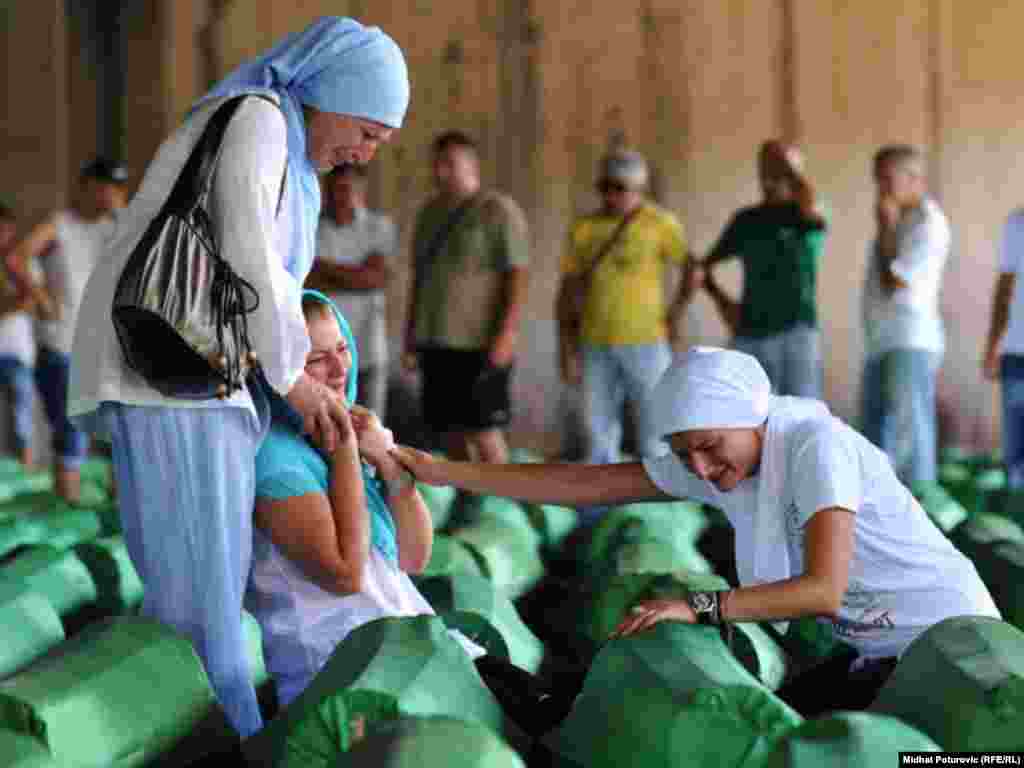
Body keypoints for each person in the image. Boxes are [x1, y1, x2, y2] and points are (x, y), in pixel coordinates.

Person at [67, 17, 410, 738]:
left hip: (203, 382)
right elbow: (250, 258)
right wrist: (292, 382)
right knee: (201, 601)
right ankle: (229, 742)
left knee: (206, 590)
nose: (365, 153)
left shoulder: (285, 145)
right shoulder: (256, 120)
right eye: (370, 131)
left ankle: (200, 732)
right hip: (175, 382)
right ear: (336, 91)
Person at [392, 347, 1000, 717]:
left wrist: (699, 606)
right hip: (880, 651)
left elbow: (822, 591)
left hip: (955, 649)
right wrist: (442, 472)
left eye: (709, 447)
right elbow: (580, 484)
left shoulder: (818, 448)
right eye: (685, 456)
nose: (703, 470)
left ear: (750, 417)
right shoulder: (723, 462)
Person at [246, 290, 571, 736]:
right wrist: (344, 449)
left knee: (548, 715)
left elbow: (413, 558)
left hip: (407, 649)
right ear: (283, 375)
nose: (340, 369)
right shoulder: (275, 458)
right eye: (316, 360)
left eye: (342, 349)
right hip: (341, 680)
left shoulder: (333, 439)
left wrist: (388, 465)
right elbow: (346, 574)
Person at [557, 148, 694, 473]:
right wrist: (565, 343)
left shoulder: (661, 223)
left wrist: (675, 314)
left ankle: (661, 495)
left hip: (646, 339)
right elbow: (568, 287)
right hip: (594, 340)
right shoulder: (584, 228)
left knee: (656, 428)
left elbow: (692, 268)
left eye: (620, 188)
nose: (611, 195)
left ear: (638, 189)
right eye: (605, 187)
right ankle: (603, 501)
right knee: (597, 430)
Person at [403, 131, 529, 464]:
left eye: (449, 164)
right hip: (435, 338)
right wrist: (410, 336)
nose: (440, 172)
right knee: (446, 429)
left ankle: (505, 503)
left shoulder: (498, 210)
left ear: (471, 165)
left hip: (479, 342)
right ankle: (467, 498)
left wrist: (507, 334)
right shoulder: (428, 213)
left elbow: (517, 275)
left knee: (483, 429)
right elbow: (419, 278)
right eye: (437, 164)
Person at [6, 158, 128, 498]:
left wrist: (122, 215)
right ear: (85, 185)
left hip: (104, 349)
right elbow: (16, 258)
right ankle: (68, 507)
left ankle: (117, 519)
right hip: (62, 345)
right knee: (73, 432)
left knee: (120, 433)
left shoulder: (116, 228)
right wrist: (40, 297)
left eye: (116, 187)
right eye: (103, 185)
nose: (108, 194)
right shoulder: (59, 225)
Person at [701, 140, 828, 398]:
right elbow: (702, 267)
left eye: (779, 166)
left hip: (796, 330)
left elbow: (812, 206)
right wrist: (723, 302)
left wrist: (789, 168)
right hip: (750, 331)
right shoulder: (746, 220)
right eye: (766, 165)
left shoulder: (806, 215)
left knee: (803, 414)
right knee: (746, 413)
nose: (771, 172)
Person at [861, 144, 951, 488]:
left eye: (887, 180)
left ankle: (921, 508)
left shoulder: (928, 223)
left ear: (914, 179)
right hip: (882, 340)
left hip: (910, 341)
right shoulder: (900, 219)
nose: (881, 190)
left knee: (909, 435)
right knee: (875, 433)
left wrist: (885, 230)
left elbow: (894, 281)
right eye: (877, 181)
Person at [307, 163, 397, 418]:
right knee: (328, 423)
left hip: (369, 344)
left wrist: (321, 266)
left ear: (361, 190)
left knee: (371, 426)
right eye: (334, 189)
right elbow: (305, 281)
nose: (340, 195)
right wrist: (356, 273)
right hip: (324, 353)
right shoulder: (312, 226)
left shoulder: (379, 227)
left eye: (347, 188)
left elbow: (374, 279)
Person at [983, 208, 1024, 489]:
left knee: (1015, 452)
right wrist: (994, 343)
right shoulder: (1016, 224)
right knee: (1014, 455)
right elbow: (1005, 288)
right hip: (1016, 351)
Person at [0, 203, 37, 467]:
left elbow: (33, 301)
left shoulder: (25, 262)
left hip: (16, 351)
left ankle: (26, 471)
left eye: (5, 228)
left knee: (21, 417)